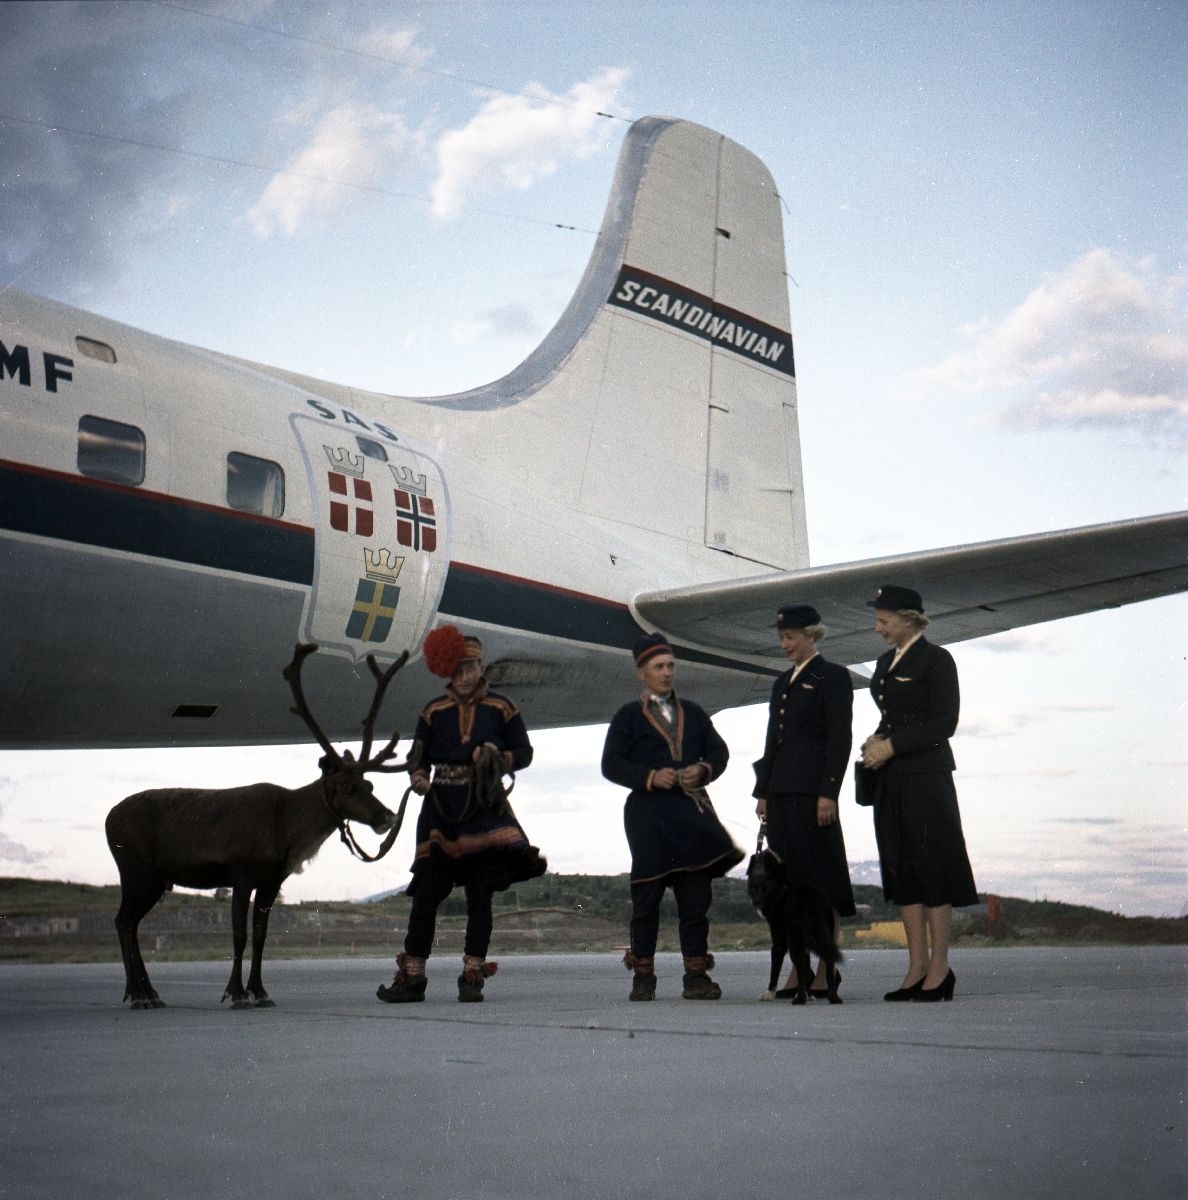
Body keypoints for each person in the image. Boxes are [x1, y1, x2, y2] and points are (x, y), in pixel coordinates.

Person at [377, 625, 546, 1004]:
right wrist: (419, 776)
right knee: (426, 895)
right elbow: (417, 756)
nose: (466, 675)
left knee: (479, 895)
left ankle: (472, 974)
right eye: (459, 669)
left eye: (471, 667)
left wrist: (498, 758)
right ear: (447, 671)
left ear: (481, 665)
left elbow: (525, 752)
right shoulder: (433, 711)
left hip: (485, 807)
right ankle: (413, 976)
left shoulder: (502, 708)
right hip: (440, 812)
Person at [601, 633, 743, 1000]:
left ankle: (695, 978)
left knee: (695, 900)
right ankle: (643, 978)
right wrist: (650, 777)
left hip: (691, 813)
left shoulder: (694, 713)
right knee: (646, 899)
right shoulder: (627, 717)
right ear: (641, 673)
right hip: (648, 816)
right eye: (658, 667)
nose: (667, 673)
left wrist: (705, 769)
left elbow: (720, 752)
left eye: (670, 666)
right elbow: (611, 764)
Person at [860, 585, 977, 1002]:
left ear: (908, 619)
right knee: (902, 867)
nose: (878, 629)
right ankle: (916, 967)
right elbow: (891, 715)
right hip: (892, 777)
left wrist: (892, 745)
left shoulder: (937, 660)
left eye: (883, 621)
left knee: (932, 866)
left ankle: (940, 968)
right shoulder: (884, 662)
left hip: (927, 776)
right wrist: (876, 741)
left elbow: (945, 722)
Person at [752, 603, 856, 999]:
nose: (784, 645)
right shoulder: (782, 683)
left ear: (812, 635)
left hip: (814, 795)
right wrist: (763, 790)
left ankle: (826, 969)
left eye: (790, 637)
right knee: (790, 887)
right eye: (781, 638)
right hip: (781, 795)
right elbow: (771, 740)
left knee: (822, 885)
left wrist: (829, 791)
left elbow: (839, 738)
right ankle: (799, 969)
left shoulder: (831, 677)